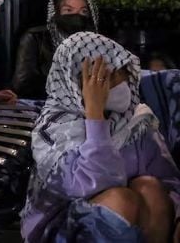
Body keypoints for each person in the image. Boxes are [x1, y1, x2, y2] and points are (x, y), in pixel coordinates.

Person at [21, 32, 180, 243]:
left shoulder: (137, 119)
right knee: (121, 199)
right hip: (58, 224)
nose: (122, 81)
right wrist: (95, 115)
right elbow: (91, 183)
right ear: (78, 80)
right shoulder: (54, 126)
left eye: (122, 72)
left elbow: (168, 179)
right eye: (107, 75)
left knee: (150, 187)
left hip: (127, 219)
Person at [13, 0, 99, 99]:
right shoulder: (36, 37)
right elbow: (23, 83)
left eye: (83, 11)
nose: (77, 16)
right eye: (68, 10)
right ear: (56, 12)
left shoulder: (97, 42)